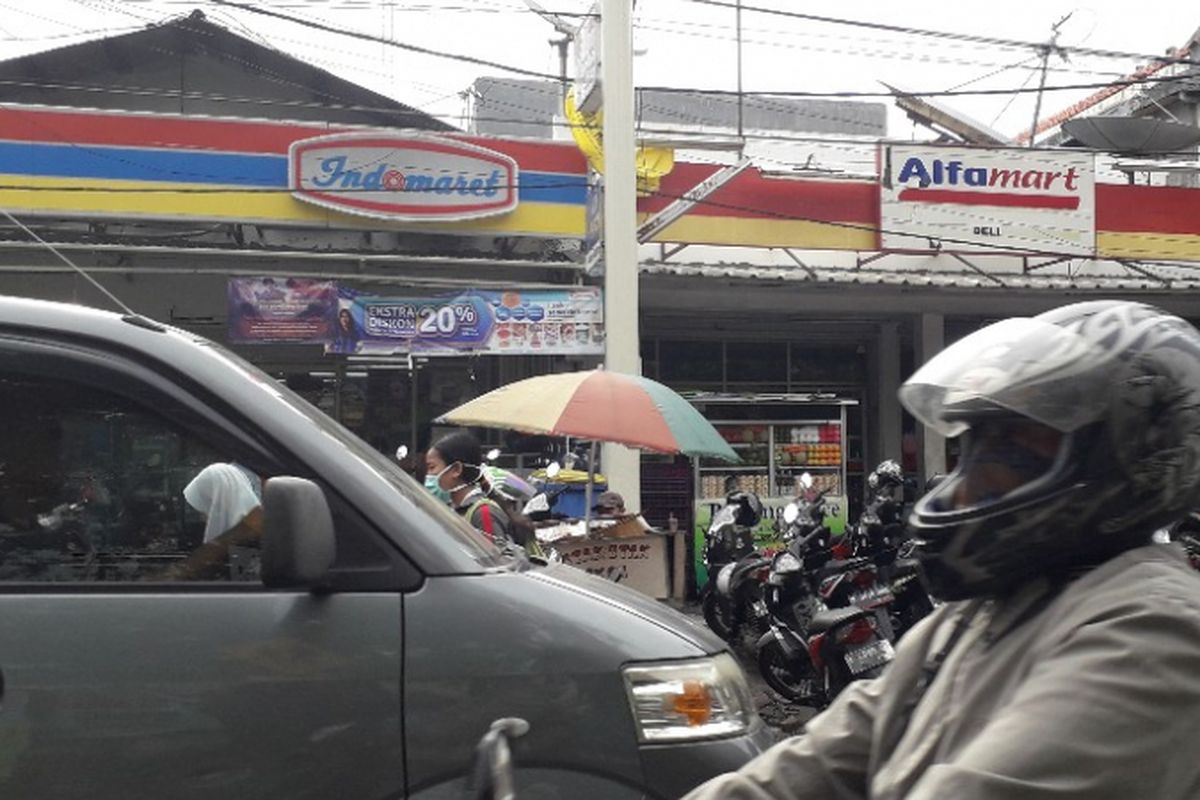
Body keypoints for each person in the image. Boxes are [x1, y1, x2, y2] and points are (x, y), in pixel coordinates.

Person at [684, 300, 1200, 800]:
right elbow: (824, 759)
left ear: (1118, 465)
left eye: (1014, 449)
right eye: (973, 447)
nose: (969, 481)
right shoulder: (974, 616)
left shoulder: (1155, 631)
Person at [160, 463, 263, 581]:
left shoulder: (243, 541)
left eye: (207, 507)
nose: (204, 518)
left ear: (219, 501)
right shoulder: (245, 536)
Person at [425, 431, 514, 549]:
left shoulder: (484, 513)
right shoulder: (451, 509)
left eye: (432, 467)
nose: (428, 475)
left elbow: (494, 562)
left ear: (456, 469)